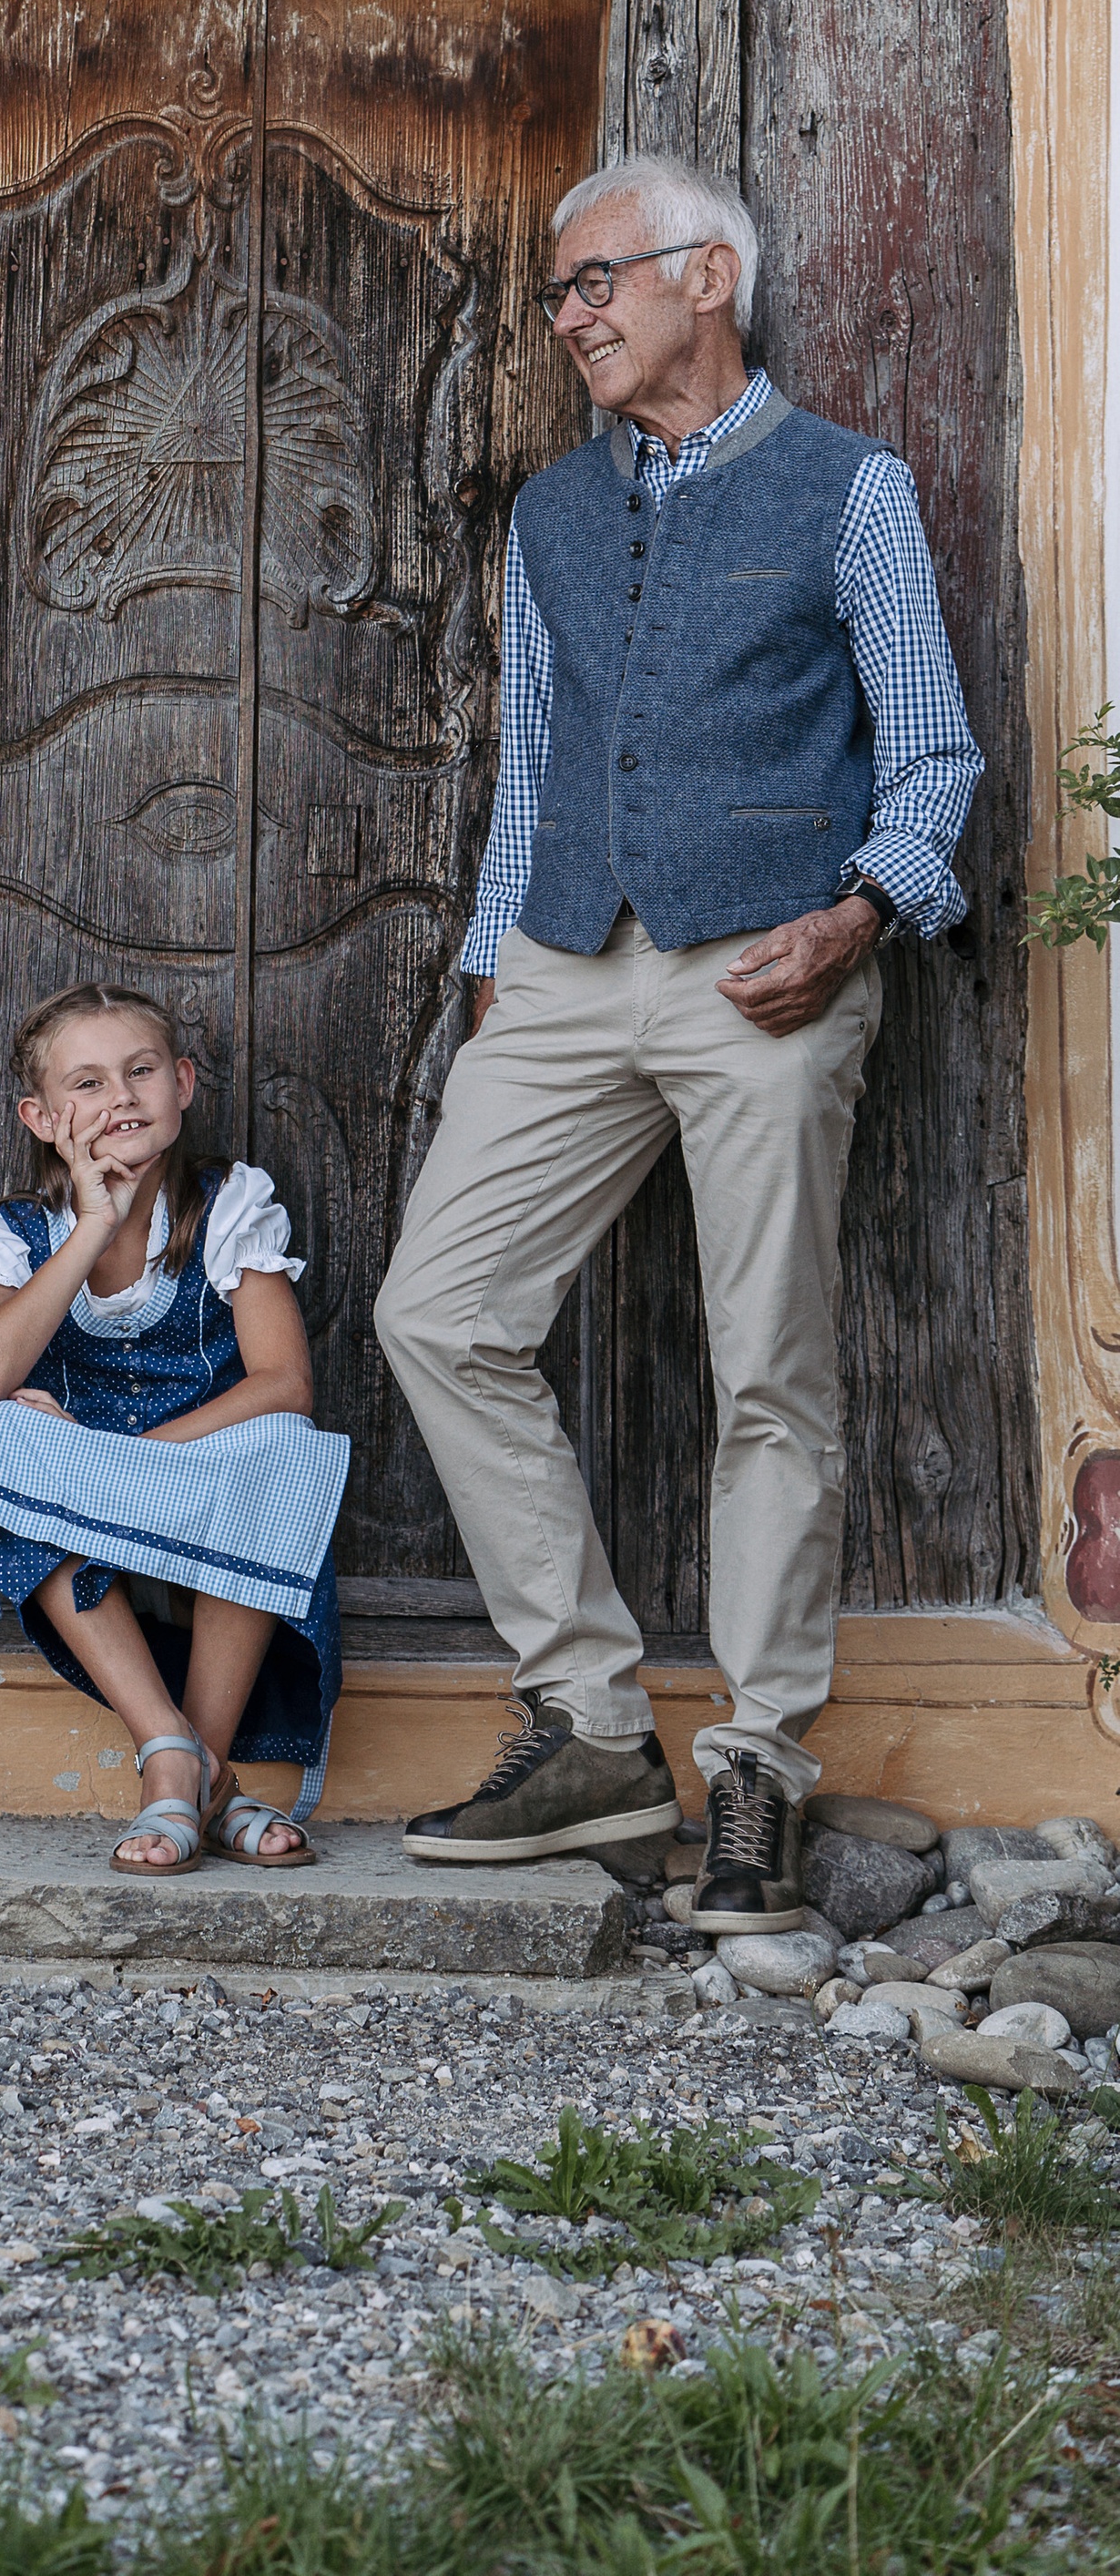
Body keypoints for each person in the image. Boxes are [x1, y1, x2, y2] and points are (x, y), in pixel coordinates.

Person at [374, 154, 983, 1932]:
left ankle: (759, 1776)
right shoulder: (549, 513)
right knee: (437, 1311)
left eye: (594, 284)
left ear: (702, 276)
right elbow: (534, 760)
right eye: (560, 294)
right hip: (567, 965)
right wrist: (500, 962)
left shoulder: (843, 488)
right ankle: (583, 1724)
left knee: (764, 1371)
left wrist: (862, 912)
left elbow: (931, 752)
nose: (569, 317)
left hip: (770, 967)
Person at [0, 983, 348, 1873]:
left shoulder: (229, 1205)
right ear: (39, 1116)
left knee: (285, 1451)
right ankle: (174, 1755)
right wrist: (89, 1225)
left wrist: (127, 1461)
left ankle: (198, 1764)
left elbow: (283, 1383)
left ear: (182, 1083)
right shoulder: (12, 1233)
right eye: (89, 1083)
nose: (122, 1100)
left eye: (140, 1072)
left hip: (203, 1505)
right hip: (84, 1545)